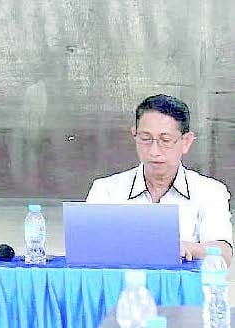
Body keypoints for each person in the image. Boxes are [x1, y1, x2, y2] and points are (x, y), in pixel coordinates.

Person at [86, 94, 233, 263]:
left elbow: (224, 252)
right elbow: (88, 249)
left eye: (165, 140)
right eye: (145, 138)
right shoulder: (106, 190)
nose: (154, 151)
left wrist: (188, 248)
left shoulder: (210, 191)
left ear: (186, 142)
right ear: (134, 135)